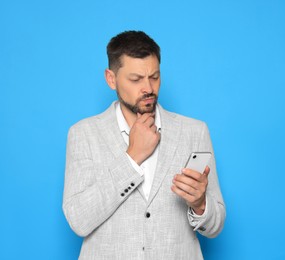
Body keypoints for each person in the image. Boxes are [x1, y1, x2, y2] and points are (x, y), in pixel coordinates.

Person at [62, 30, 225, 259]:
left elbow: (216, 225)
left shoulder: (194, 132)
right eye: (136, 79)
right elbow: (78, 220)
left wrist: (200, 205)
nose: (148, 88)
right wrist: (132, 158)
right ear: (111, 79)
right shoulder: (84, 134)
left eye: (155, 77)